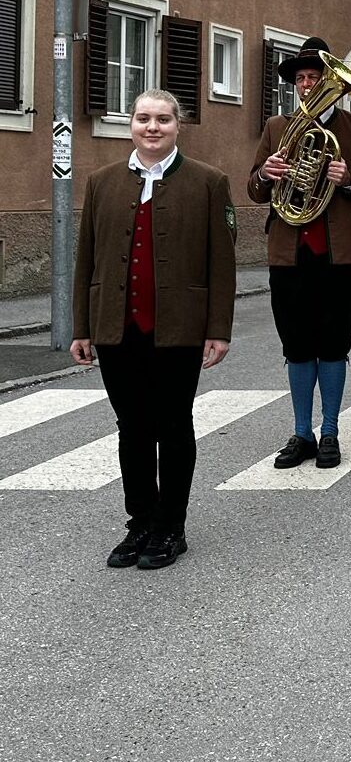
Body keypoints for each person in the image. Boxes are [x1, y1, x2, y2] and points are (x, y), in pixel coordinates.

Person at [71, 89, 237, 569]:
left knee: (173, 424)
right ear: (131, 125)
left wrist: (218, 329)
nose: (153, 127)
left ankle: (171, 526)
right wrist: (83, 326)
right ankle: (140, 520)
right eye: (144, 118)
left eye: (163, 119)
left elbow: (221, 264)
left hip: (179, 329)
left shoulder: (209, 182)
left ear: (177, 126)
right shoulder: (102, 182)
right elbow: (87, 259)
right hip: (115, 326)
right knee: (132, 428)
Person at [251, 37, 351, 469]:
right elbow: (253, 189)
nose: (309, 85)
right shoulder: (279, 127)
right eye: (302, 79)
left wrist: (350, 177)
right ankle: (301, 433)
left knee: (332, 343)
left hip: (338, 254)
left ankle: (329, 430)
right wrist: (266, 172)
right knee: (296, 345)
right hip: (289, 252)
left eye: (316, 77)